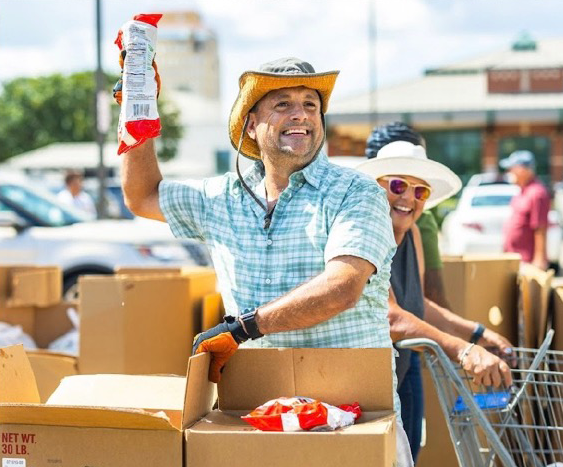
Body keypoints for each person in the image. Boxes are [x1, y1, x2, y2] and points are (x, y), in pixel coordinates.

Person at [118, 56, 413, 466]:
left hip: (357, 419)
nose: (301, 115)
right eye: (283, 104)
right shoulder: (222, 197)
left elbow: (342, 288)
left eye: (311, 104)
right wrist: (139, 112)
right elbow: (142, 196)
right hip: (262, 418)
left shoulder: (355, 192)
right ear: (250, 125)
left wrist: (243, 328)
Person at [357, 122, 514, 463]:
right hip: (369, 376)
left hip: (406, 363)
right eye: (398, 185)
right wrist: (464, 350)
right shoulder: (364, 234)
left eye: (420, 191)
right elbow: (389, 314)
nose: (408, 198)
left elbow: (416, 303)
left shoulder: (412, 236)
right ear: (377, 187)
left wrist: (477, 332)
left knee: (410, 453)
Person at [500, 150, 550, 270]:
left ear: (522, 170)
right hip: (515, 259)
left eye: (511, 168)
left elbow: (540, 229)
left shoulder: (537, 193)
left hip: (527, 262)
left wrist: (539, 260)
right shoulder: (522, 191)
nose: (509, 172)